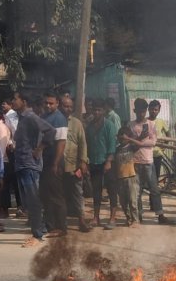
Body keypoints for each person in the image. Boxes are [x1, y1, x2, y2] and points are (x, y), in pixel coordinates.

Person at [10, 90, 54, 247]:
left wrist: (39, 149)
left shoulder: (30, 116)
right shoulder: (22, 118)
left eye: (15, 99)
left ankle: (37, 234)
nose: (12, 102)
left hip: (30, 165)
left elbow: (50, 131)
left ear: (24, 101)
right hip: (22, 164)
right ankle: (38, 229)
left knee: (33, 200)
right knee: (28, 201)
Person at [124, 98, 171, 225]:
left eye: (143, 112)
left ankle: (160, 215)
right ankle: (138, 216)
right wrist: (139, 140)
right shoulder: (130, 125)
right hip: (135, 162)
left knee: (154, 189)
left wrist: (135, 141)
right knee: (136, 191)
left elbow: (153, 142)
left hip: (148, 161)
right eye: (139, 112)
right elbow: (127, 143)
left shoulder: (151, 125)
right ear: (134, 111)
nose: (141, 114)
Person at [59, 95, 91, 232]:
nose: (68, 109)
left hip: (74, 166)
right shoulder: (55, 121)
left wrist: (83, 162)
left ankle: (82, 221)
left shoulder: (77, 123)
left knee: (78, 193)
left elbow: (83, 144)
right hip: (58, 166)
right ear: (60, 106)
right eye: (65, 106)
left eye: (70, 106)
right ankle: (61, 224)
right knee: (60, 195)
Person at [40, 91, 68, 237]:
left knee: (56, 195)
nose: (48, 105)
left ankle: (61, 227)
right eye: (46, 103)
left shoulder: (59, 119)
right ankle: (50, 225)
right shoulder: (44, 116)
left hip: (54, 161)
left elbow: (61, 143)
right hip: (44, 161)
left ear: (57, 103)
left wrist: (56, 163)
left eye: (51, 103)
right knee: (46, 195)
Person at [86, 98, 118, 229]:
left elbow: (112, 144)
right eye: (95, 110)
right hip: (94, 162)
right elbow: (87, 145)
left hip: (107, 162)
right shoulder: (89, 126)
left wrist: (109, 161)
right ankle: (96, 217)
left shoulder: (109, 125)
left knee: (111, 190)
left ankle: (112, 218)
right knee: (96, 190)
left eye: (99, 110)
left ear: (104, 111)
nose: (97, 112)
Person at [115, 125, 139, 228]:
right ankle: (128, 218)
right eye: (120, 137)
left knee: (132, 200)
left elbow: (139, 144)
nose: (122, 140)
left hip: (131, 177)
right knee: (123, 202)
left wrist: (129, 139)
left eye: (124, 137)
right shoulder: (116, 149)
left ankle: (135, 220)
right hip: (120, 178)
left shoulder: (132, 147)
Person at [148, 100, 171, 178]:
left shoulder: (161, 121)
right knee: (147, 175)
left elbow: (168, 135)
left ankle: (155, 189)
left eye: (156, 110)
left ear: (159, 111)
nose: (153, 111)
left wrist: (164, 146)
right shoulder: (145, 121)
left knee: (156, 175)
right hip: (146, 154)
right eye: (152, 109)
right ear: (148, 109)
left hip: (157, 153)